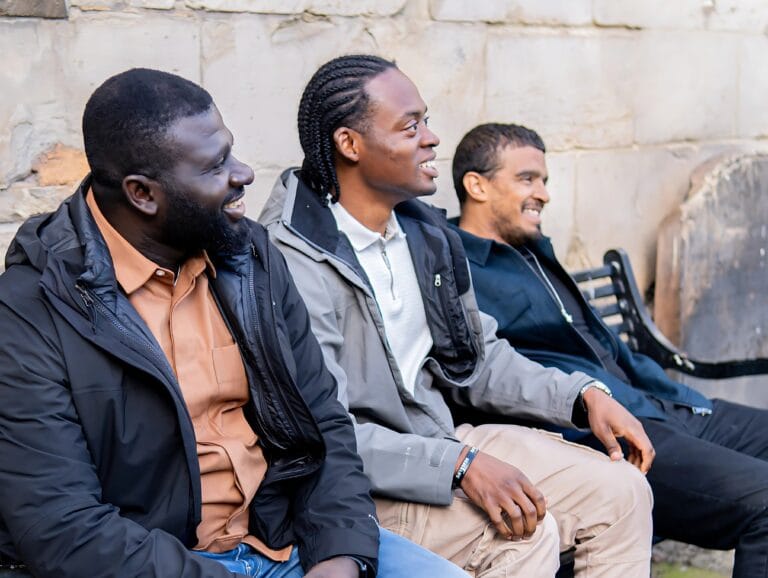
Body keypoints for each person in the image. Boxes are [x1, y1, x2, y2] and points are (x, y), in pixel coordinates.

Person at [0, 67, 470, 578]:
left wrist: (340, 555)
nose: (243, 173)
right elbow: (63, 527)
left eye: (232, 151)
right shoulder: (30, 311)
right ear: (143, 194)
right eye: (215, 165)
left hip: (284, 543)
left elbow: (324, 423)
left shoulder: (249, 256)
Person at [259, 54, 655, 578]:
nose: (432, 138)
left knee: (623, 491)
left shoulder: (423, 234)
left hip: (439, 441)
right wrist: (460, 466)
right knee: (522, 534)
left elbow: (479, 357)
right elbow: (323, 430)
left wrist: (581, 396)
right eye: (410, 126)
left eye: (425, 120)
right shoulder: (294, 258)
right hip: (353, 485)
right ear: (349, 144)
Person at [452, 121, 768, 578]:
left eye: (544, 180)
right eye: (527, 179)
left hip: (665, 405)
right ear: (476, 185)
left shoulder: (533, 252)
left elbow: (606, 348)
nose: (543, 193)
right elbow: (491, 374)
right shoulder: (455, 266)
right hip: (609, 438)